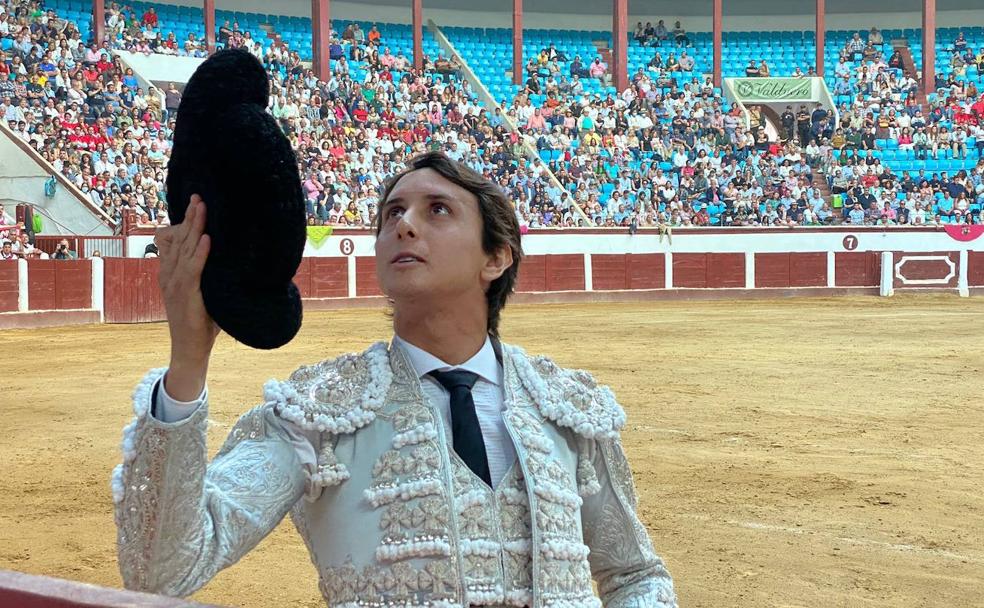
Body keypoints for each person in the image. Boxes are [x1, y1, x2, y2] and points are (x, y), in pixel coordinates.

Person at [113, 152, 678, 607]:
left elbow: (635, 577)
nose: (403, 223)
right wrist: (188, 358)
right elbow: (165, 570)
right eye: (392, 213)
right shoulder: (319, 415)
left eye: (437, 210)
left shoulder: (567, 410)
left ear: (497, 258)